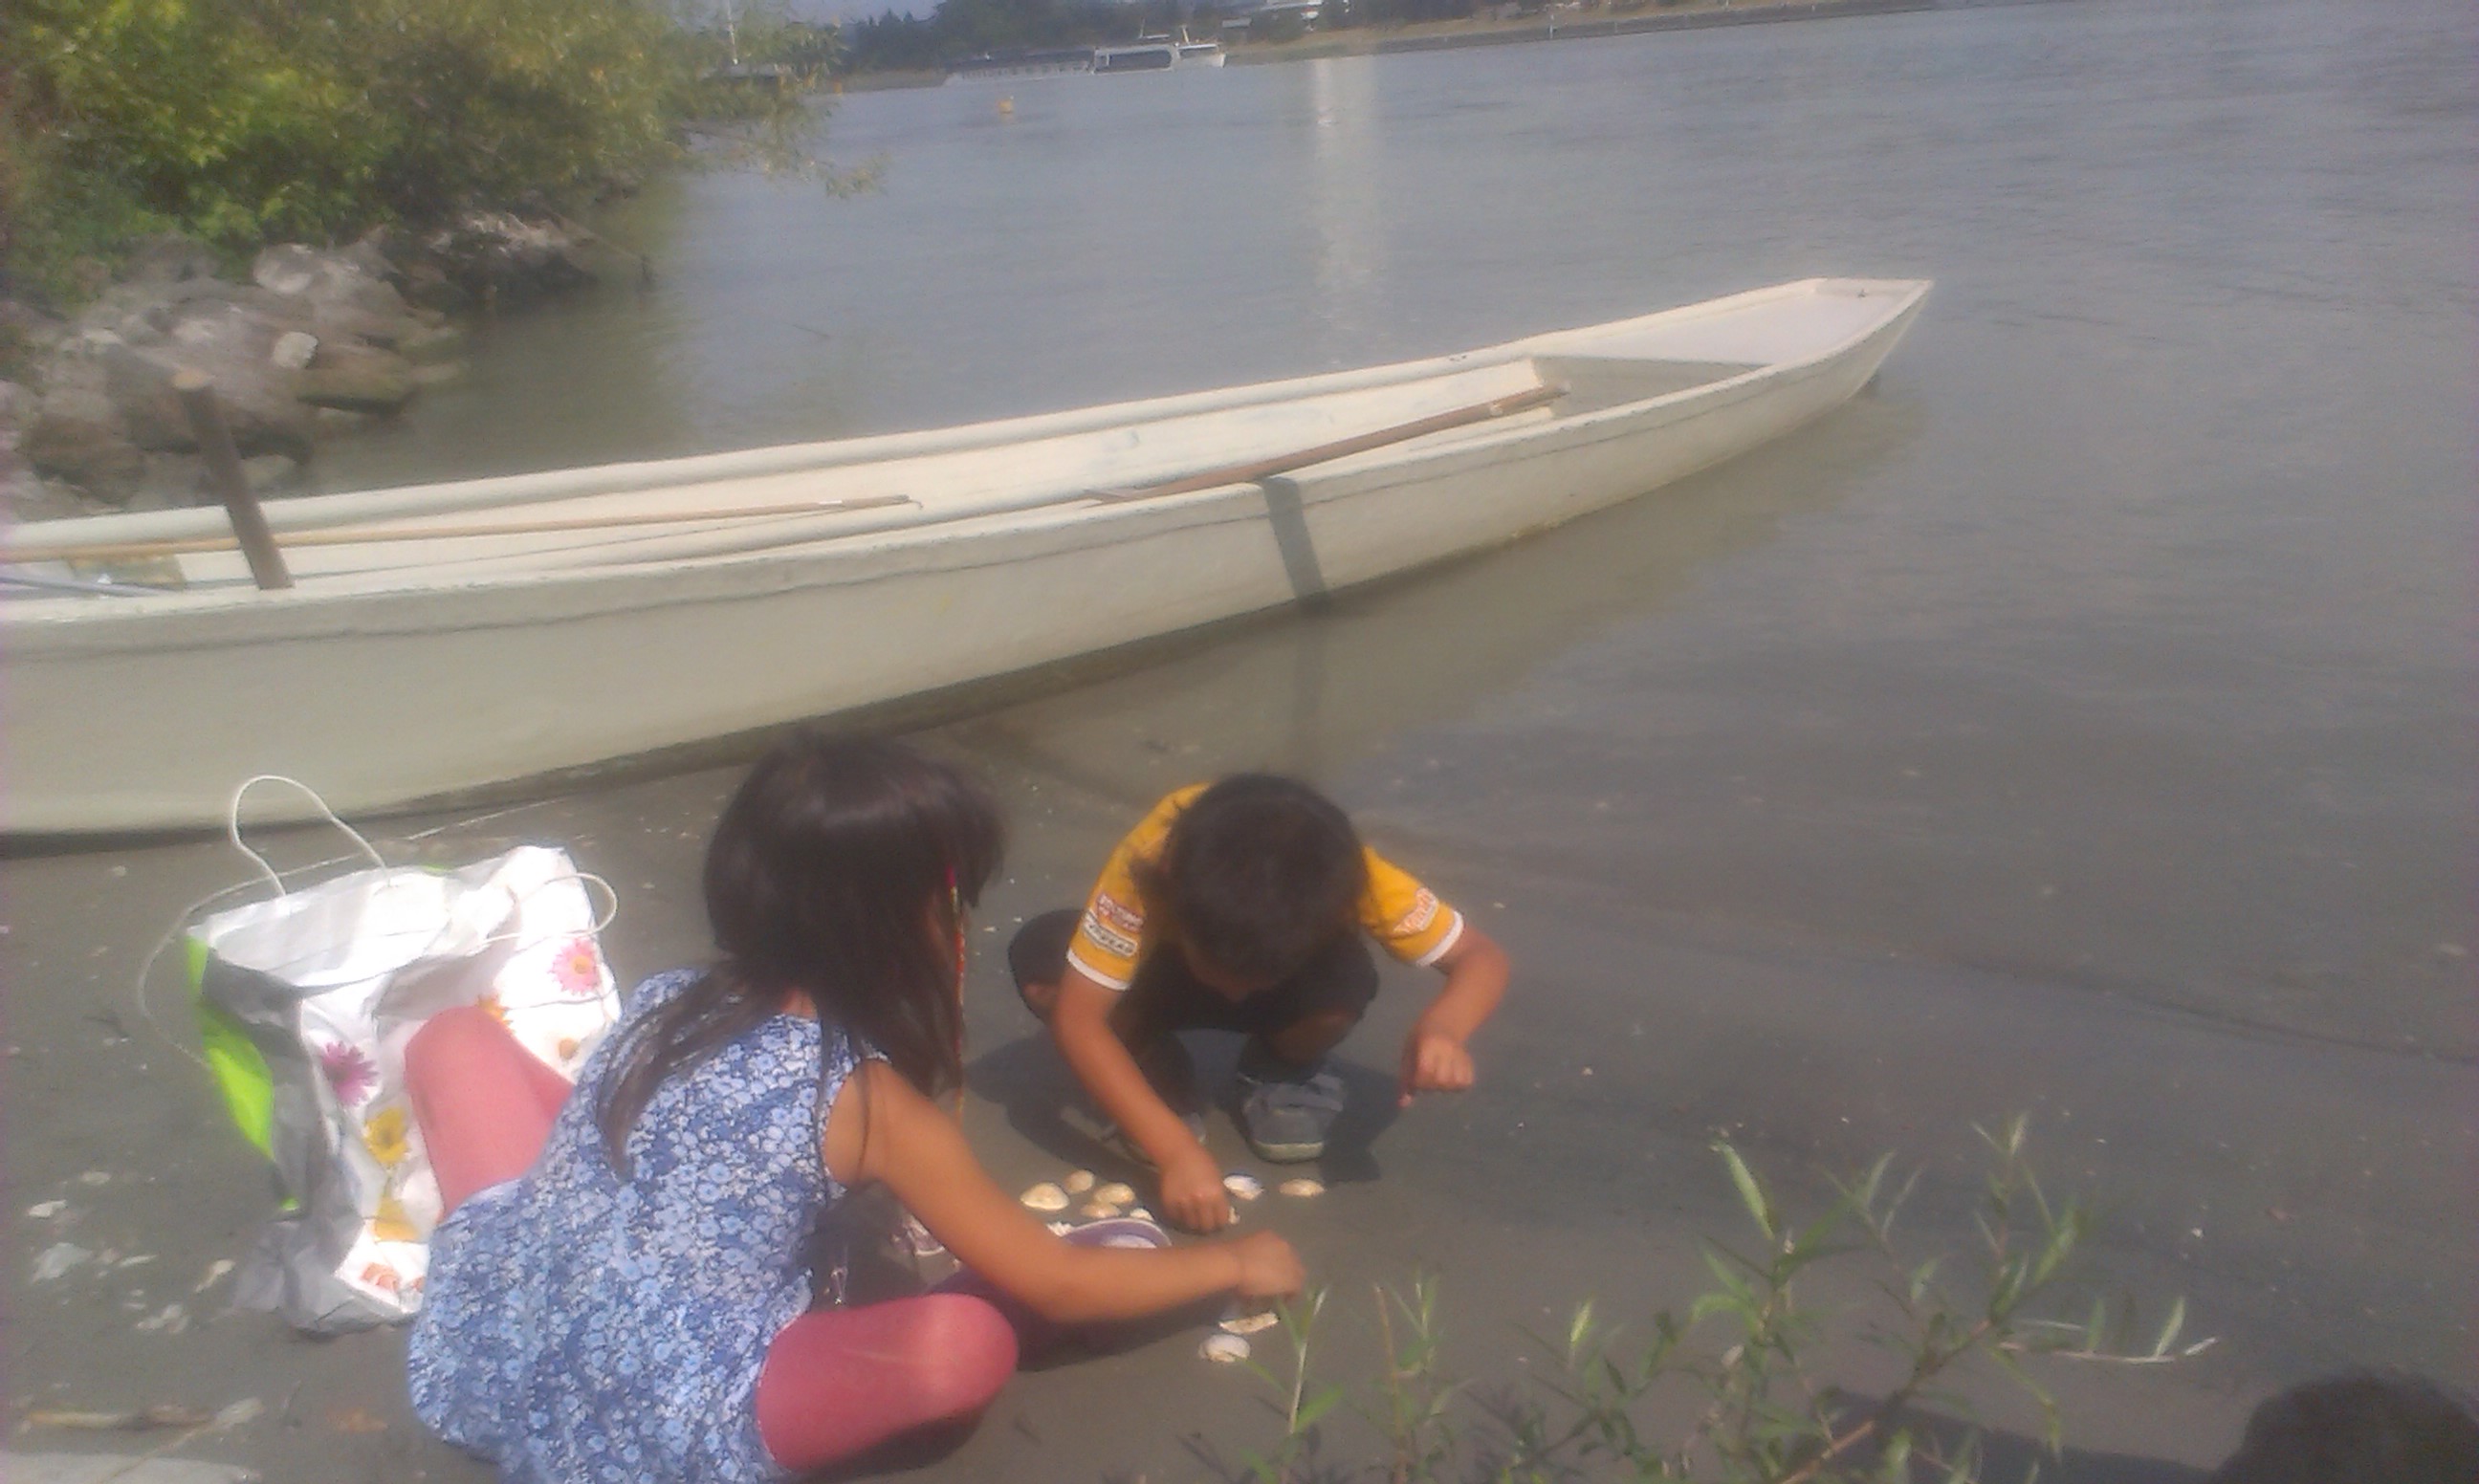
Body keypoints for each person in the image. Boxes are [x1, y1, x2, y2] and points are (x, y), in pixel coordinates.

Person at [404, 732, 1303, 1483]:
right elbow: (1058, 1283)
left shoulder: (666, 999)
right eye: (954, 898)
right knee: (962, 1347)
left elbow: (683, 1126)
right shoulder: (866, 1097)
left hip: (499, 1348)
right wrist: (1231, 1264)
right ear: (913, 920)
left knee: (451, 1038)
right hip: (663, 1420)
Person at [1013, 774, 1510, 1233]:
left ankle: (1281, 1065)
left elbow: (1479, 957)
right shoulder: (1150, 864)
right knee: (1046, 969)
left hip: (1290, 991)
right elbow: (1079, 1020)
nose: (1235, 994)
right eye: (1226, 975)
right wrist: (1176, 1151)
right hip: (1162, 975)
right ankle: (1148, 1065)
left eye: (1254, 978)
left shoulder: (1352, 876)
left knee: (1344, 982)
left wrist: (1443, 1027)